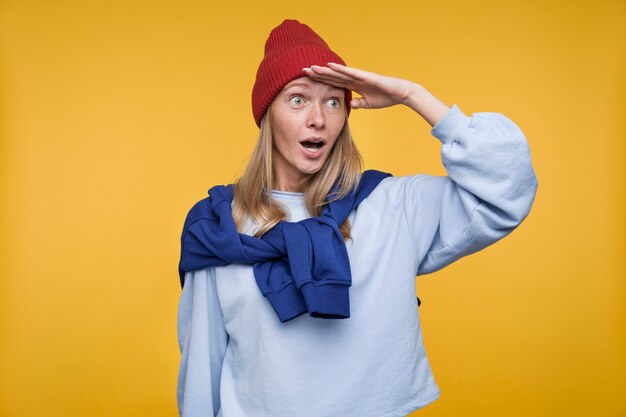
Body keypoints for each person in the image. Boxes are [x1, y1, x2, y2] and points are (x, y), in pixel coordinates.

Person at [176, 19, 538, 417]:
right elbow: (201, 367)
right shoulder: (219, 227)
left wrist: (412, 95)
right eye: (298, 99)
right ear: (267, 117)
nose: (318, 118)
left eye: (333, 101)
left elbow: (508, 186)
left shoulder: (392, 206)